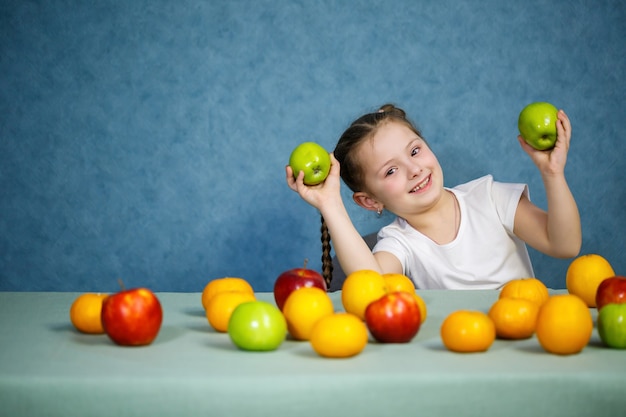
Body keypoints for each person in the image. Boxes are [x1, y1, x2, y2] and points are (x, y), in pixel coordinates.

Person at [286, 104, 581, 290]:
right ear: (369, 201)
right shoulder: (398, 242)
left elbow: (564, 245)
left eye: (415, 151)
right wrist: (330, 204)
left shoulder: (490, 197)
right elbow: (372, 283)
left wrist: (553, 174)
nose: (414, 169)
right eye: (391, 171)